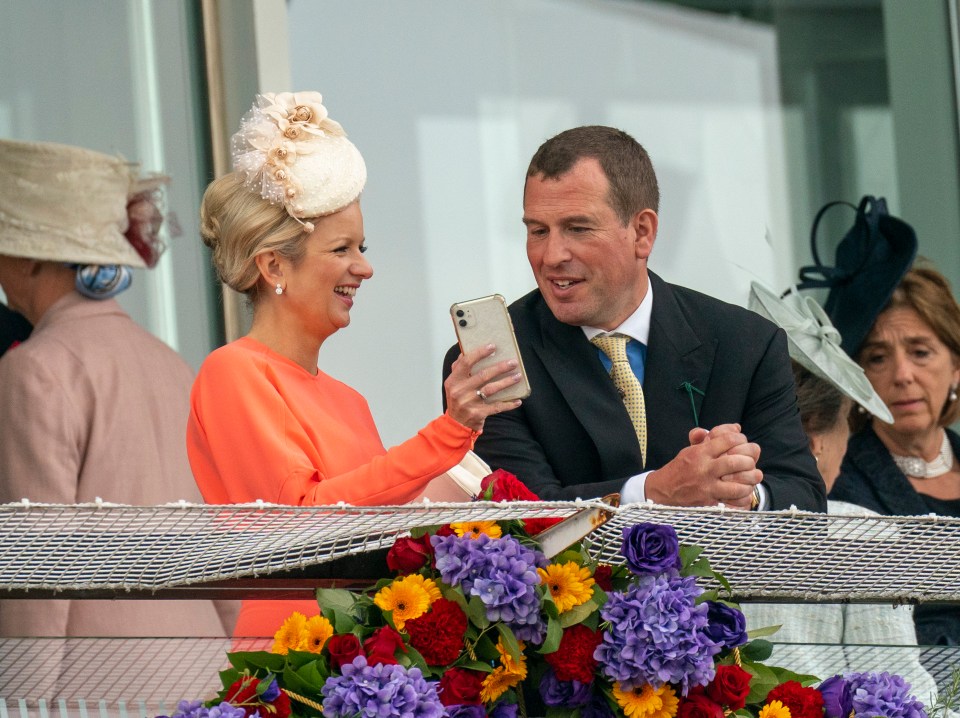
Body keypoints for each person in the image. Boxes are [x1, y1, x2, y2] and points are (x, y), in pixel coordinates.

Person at [188, 91, 522, 636]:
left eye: (361, 247)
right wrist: (448, 433)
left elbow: (376, 534)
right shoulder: (234, 372)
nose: (363, 268)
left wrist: (462, 474)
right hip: (292, 656)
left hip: (371, 659)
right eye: (342, 249)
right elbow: (306, 522)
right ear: (274, 265)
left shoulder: (349, 400)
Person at [444, 125, 824, 511]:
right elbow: (523, 514)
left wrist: (745, 495)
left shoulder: (746, 343)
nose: (551, 255)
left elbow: (806, 501)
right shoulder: (493, 362)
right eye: (538, 231)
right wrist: (653, 492)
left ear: (642, 232)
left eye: (577, 228)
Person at [0, 138, 233, 637]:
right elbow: (216, 544)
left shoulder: (35, 368)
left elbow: (40, 566)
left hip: (88, 683)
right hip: (202, 677)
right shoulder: (171, 363)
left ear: (30, 259)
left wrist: (22, 701)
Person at [744, 283, 942, 703]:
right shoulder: (861, 532)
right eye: (847, 428)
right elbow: (898, 689)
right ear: (816, 439)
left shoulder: (705, 519)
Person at [830, 264, 960, 645]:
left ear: (955, 365)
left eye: (920, 352)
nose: (902, 374)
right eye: (877, 358)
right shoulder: (839, 483)